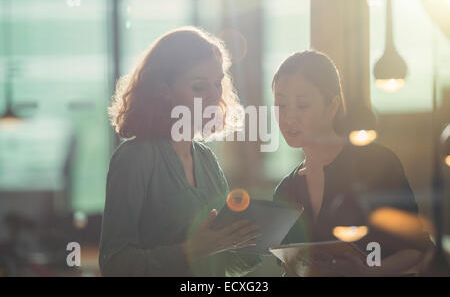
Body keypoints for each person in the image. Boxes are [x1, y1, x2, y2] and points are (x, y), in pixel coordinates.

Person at [99, 26, 263, 276]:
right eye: (199, 87)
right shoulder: (135, 159)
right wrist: (190, 251)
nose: (214, 97)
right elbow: (114, 265)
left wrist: (256, 242)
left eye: (217, 85)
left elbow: (225, 263)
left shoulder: (206, 159)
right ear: (164, 90)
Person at [271, 50, 433, 276]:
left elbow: (416, 250)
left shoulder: (376, 164)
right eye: (280, 105)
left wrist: (369, 272)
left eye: (303, 105)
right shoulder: (285, 191)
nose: (288, 118)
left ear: (332, 105)